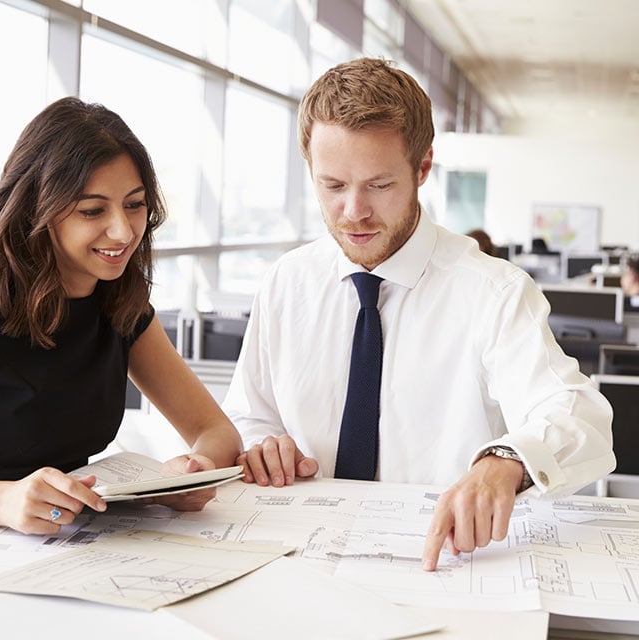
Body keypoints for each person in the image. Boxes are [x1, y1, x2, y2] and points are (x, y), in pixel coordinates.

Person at [221, 58, 615, 572]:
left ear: (423, 167)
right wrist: (261, 444)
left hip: (440, 563)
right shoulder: (285, 282)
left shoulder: (493, 291)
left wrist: (507, 462)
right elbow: (248, 413)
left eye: (379, 185)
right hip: (300, 556)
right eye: (333, 185)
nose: (354, 212)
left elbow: (578, 413)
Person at [0, 97, 242, 546]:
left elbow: (215, 432)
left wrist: (191, 474)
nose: (124, 232)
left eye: (135, 205)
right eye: (93, 210)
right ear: (38, 208)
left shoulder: (118, 297)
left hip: (71, 548)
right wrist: (1, 502)